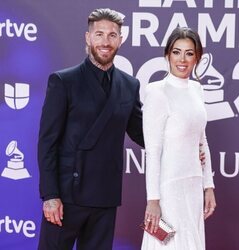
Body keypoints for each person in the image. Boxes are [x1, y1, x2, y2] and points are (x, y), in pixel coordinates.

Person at [37, 8, 144, 250]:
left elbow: (141, 133)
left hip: (105, 196)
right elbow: (47, 142)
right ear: (88, 38)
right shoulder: (64, 81)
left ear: (121, 39)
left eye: (112, 35)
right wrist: (50, 196)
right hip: (65, 197)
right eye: (99, 35)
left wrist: (181, 144)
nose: (106, 42)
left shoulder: (129, 85)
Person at [141, 27, 216, 250]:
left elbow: (202, 141)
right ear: (167, 55)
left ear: (197, 58)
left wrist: (208, 186)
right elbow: (153, 152)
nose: (182, 60)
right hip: (168, 190)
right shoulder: (157, 92)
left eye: (189, 53)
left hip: (193, 186)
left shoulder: (197, 89)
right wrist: (153, 200)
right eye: (176, 52)